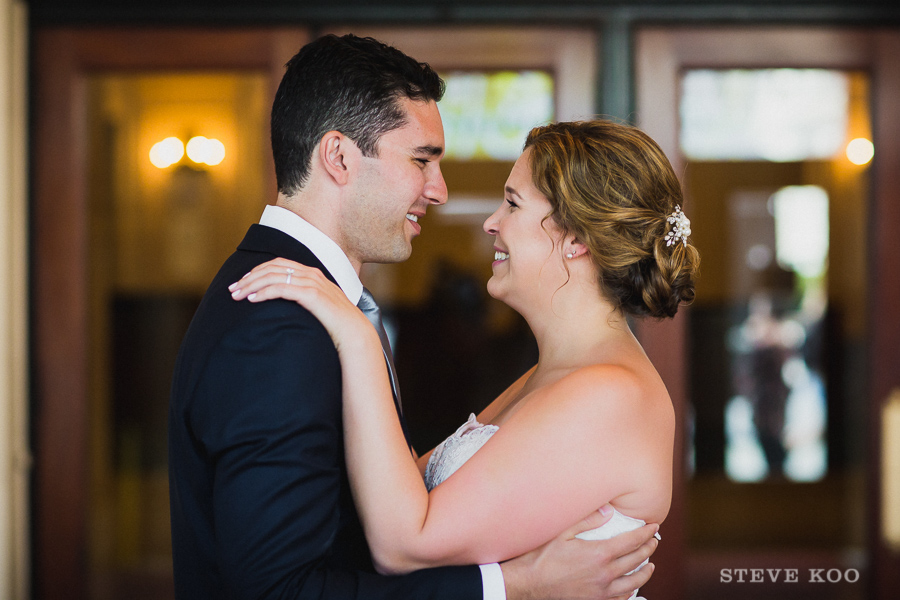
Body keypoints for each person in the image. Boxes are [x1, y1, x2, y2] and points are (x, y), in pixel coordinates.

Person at [169, 34, 660, 600]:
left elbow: (400, 514)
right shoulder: (278, 323)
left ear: (577, 239)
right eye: (422, 160)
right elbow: (279, 588)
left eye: (513, 203)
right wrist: (516, 585)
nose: (444, 193)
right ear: (338, 156)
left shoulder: (315, 308)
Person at [230, 119, 700, 599]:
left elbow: (404, 544)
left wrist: (357, 337)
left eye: (513, 204)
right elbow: (408, 490)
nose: (491, 222)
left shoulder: (608, 394)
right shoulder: (552, 375)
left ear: (577, 236)